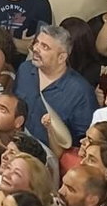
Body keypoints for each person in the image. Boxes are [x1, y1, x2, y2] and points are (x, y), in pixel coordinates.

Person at [18, 25, 99, 153]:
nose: (35, 49)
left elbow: (82, 141)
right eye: (37, 43)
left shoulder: (81, 92)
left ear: (62, 57)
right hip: (15, 147)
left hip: (49, 160)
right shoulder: (25, 70)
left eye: (45, 47)